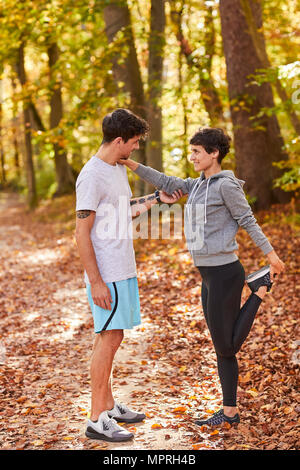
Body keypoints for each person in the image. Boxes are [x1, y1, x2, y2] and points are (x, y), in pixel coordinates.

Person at [120, 127, 285, 428]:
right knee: (221, 345)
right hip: (207, 276)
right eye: (191, 151)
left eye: (197, 151)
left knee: (226, 347)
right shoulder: (196, 185)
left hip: (225, 273)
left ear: (214, 154)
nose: (191, 156)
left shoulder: (226, 186)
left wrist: (271, 254)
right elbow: (165, 181)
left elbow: (247, 218)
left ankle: (260, 288)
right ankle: (230, 413)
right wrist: (130, 163)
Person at [75, 108, 181, 442]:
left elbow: (122, 210)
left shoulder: (115, 168)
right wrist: (96, 281)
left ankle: (108, 404)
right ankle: (97, 418)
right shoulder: (91, 175)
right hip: (107, 272)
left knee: (111, 336)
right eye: (133, 143)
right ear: (119, 140)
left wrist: (156, 199)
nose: (134, 148)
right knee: (110, 337)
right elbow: (81, 232)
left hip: (122, 267)